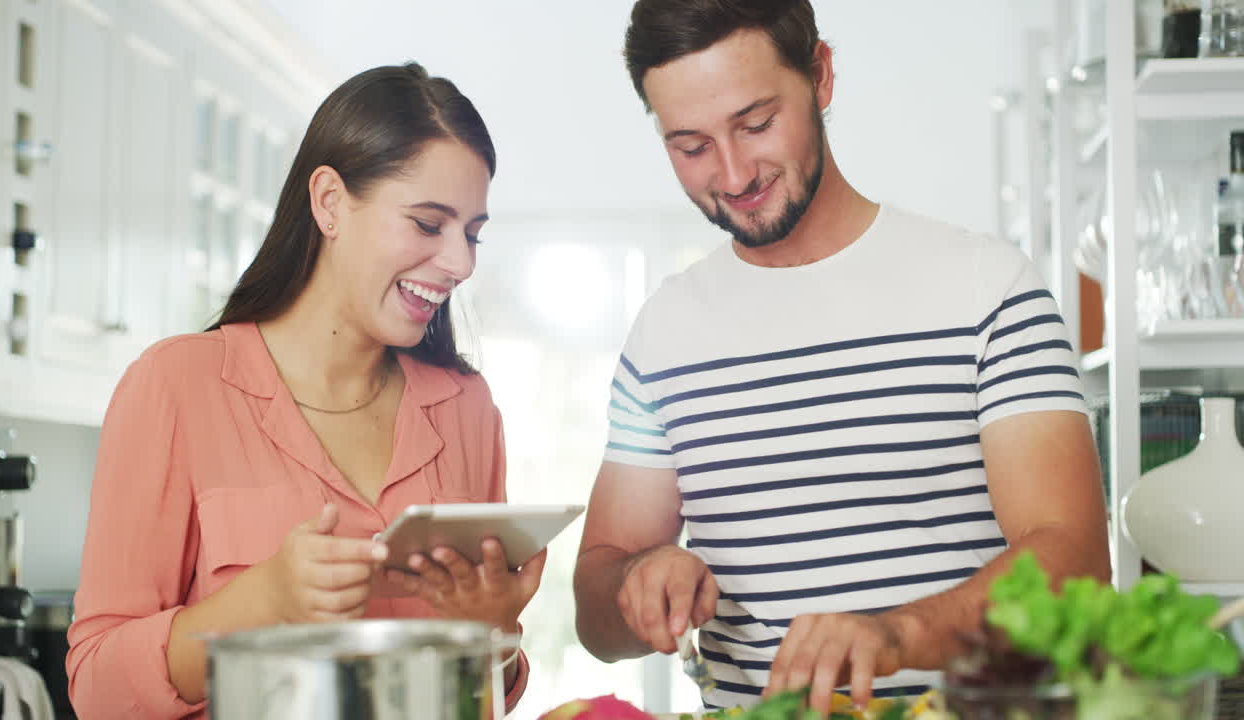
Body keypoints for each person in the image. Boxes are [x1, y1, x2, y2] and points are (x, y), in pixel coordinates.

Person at [573, 1, 1110, 714]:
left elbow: (1076, 563)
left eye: (757, 124)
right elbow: (596, 611)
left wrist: (898, 635)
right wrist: (636, 581)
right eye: (690, 145)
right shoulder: (663, 333)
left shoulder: (987, 288)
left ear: (821, 75)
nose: (733, 174)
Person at [66, 63, 545, 719]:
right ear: (328, 203)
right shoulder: (175, 386)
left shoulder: (467, 407)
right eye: (429, 224)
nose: (460, 263)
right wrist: (259, 605)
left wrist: (496, 637)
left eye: (472, 233)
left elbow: (485, 697)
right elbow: (95, 691)